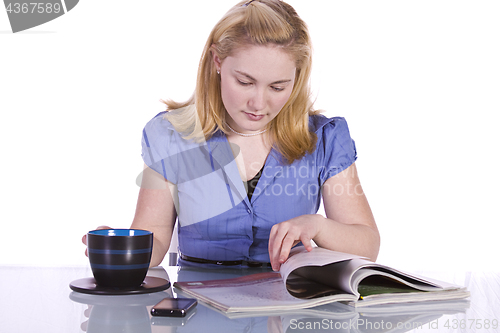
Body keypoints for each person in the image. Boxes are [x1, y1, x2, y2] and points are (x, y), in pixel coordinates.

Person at [83, 0, 380, 272]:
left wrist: (317, 226)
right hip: (199, 314)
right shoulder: (170, 136)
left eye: (277, 87)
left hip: (288, 314)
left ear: (297, 77)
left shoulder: (325, 139)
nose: (259, 103)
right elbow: (156, 237)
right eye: (245, 82)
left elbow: (367, 246)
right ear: (217, 62)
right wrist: (121, 249)